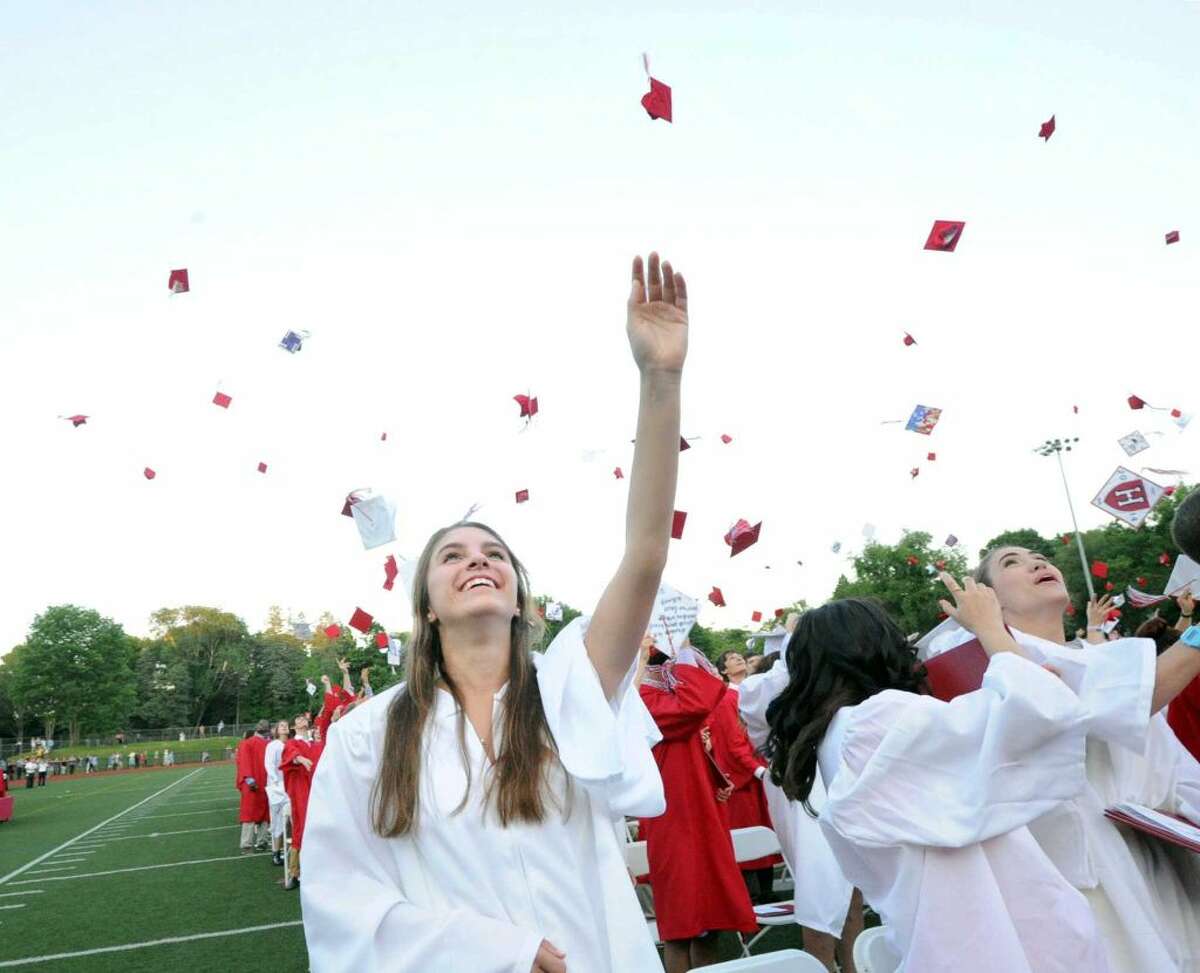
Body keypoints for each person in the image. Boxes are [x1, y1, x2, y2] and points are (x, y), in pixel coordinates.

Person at [300, 251, 688, 973]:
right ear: (426, 606)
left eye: (494, 553)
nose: (476, 559)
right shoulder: (367, 738)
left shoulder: (571, 688)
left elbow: (644, 556)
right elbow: (339, 899)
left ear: (518, 597)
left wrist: (659, 378)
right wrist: (494, 951)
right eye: (451, 555)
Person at [761, 589, 1112, 972]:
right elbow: (1036, 714)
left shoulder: (836, 736)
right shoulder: (875, 721)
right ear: (876, 646)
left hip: (938, 931)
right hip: (985, 928)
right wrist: (991, 629)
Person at [931, 547, 1200, 971]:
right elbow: (1120, 698)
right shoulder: (987, 668)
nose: (1036, 563)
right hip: (1088, 876)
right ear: (988, 599)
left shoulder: (1094, 657)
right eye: (1011, 563)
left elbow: (1174, 766)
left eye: (1038, 556)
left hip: (1161, 857)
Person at [639, 639, 757, 972]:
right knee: (679, 928)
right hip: (674, 823)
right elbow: (694, 703)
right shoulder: (643, 696)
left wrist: (717, 778)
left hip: (700, 816)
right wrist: (684, 650)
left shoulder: (665, 692)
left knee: (710, 924)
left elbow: (700, 707)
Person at [281, 713, 317, 885]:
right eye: (298, 721)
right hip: (301, 789)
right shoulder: (292, 742)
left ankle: (315, 868)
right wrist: (300, 758)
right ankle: (294, 872)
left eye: (303, 719)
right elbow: (290, 753)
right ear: (294, 727)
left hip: (316, 788)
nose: (302, 721)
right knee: (302, 826)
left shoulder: (313, 743)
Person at [236, 723, 270, 853]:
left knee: (263, 813)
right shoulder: (248, 743)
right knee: (251, 813)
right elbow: (244, 762)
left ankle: (260, 841)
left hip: (263, 782)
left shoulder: (267, 743)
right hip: (254, 783)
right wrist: (250, 780)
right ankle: (247, 844)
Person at [265, 720, 290, 867]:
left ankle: (289, 851)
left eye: (286, 725)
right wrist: (275, 781)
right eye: (281, 725)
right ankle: (276, 852)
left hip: (290, 787)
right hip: (277, 788)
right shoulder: (273, 746)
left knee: (288, 821)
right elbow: (269, 764)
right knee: (277, 821)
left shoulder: (291, 743)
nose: (284, 727)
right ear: (276, 730)